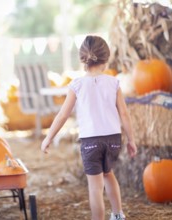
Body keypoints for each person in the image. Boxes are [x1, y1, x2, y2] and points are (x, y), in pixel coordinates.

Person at [40, 35, 137, 220]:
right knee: (109, 175)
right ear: (106, 59)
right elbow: (124, 114)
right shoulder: (113, 82)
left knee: (95, 186)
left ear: (83, 59)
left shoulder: (76, 85)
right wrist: (131, 140)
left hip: (91, 141)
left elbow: (62, 115)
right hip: (113, 140)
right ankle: (118, 215)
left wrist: (48, 137)